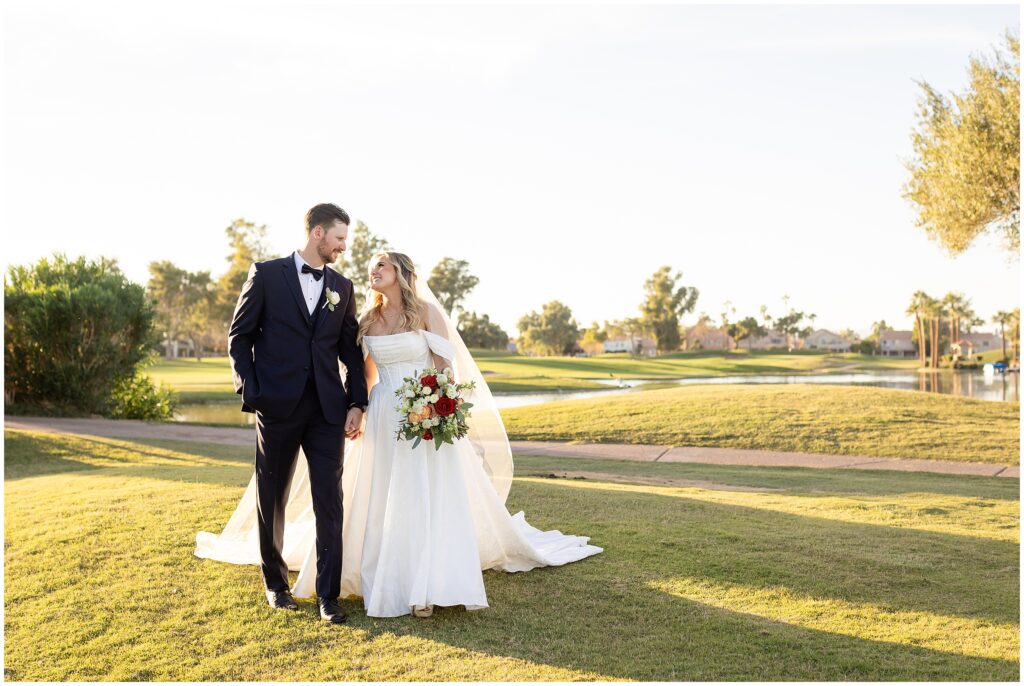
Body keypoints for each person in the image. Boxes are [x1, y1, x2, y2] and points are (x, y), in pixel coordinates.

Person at [197, 249, 601, 619]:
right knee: (382, 499)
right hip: (384, 414)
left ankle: (425, 585)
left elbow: (445, 367)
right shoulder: (368, 319)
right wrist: (357, 407)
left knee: (422, 496)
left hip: (423, 415)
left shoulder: (426, 312)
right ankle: (380, 575)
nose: (372, 270)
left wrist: (435, 406)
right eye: (371, 266)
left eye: (381, 265)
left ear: (401, 273)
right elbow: (366, 373)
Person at [206, 202, 367, 624]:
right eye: (339, 238)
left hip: (327, 409)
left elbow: (350, 351)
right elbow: (239, 337)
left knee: (329, 500)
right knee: (271, 496)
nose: (343, 247)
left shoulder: (343, 286)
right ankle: (276, 586)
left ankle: (328, 596)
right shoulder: (266, 274)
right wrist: (252, 390)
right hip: (277, 405)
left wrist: (357, 402)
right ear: (318, 233)